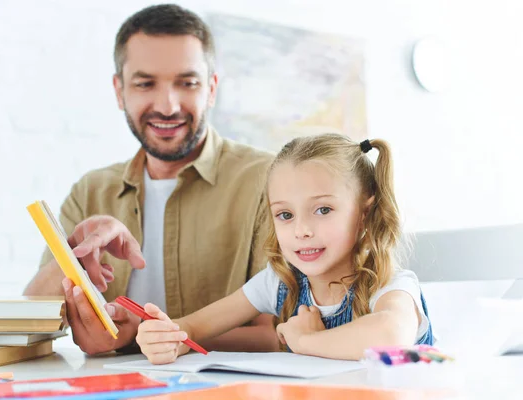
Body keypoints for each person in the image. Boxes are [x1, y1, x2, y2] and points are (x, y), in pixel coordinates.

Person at [23, 4, 279, 355]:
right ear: (119, 91)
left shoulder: (268, 180)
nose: (168, 106)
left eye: (187, 83)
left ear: (211, 88)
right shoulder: (91, 192)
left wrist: (141, 334)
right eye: (145, 84)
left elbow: (275, 333)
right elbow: (31, 320)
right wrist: (74, 257)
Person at [136, 134, 434, 364]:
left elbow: (392, 335)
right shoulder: (279, 281)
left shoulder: (390, 285)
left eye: (323, 210)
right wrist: (169, 337)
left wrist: (306, 341)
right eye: (286, 215)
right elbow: (193, 327)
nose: (301, 230)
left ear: (365, 213)